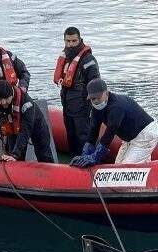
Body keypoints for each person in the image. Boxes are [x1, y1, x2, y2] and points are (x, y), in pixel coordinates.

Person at [71, 78, 158, 167]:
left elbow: (110, 133)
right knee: (117, 165)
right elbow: (93, 130)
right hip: (129, 139)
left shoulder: (116, 107)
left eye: (98, 97)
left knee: (125, 168)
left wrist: (96, 156)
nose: (95, 101)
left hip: (145, 136)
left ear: (106, 93)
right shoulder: (96, 108)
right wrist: (86, 153)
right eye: (92, 98)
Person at [53, 27, 100, 156]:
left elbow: (95, 84)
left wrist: (92, 106)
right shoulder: (66, 57)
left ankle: (90, 161)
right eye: (68, 41)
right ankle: (75, 162)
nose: (71, 44)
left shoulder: (88, 60)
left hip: (83, 107)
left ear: (79, 39)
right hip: (68, 106)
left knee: (84, 137)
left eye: (74, 41)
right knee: (71, 137)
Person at [0, 80, 54, 163]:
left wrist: (15, 154)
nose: (4, 103)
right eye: (0, 99)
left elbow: (25, 130)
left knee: (44, 154)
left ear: (12, 95)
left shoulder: (26, 103)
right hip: (13, 128)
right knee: (14, 159)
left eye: (6, 99)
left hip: (36, 126)